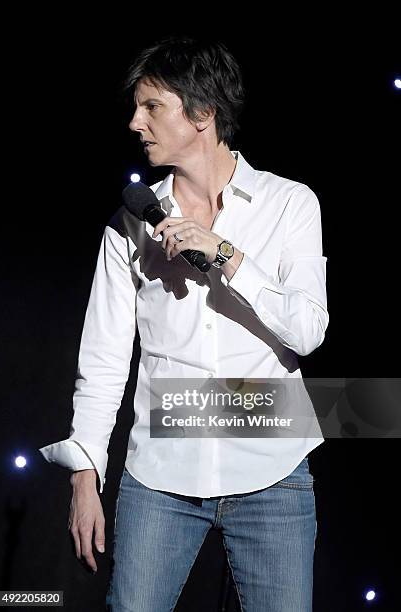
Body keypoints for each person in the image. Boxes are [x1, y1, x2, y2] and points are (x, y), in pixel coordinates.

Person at [39, 34, 329, 611]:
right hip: (161, 480)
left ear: (202, 114)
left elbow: (308, 331)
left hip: (273, 470)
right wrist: (84, 473)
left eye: (151, 106)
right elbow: (103, 356)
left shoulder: (291, 204)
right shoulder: (130, 224)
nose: (134, 122)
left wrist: (225, 255)